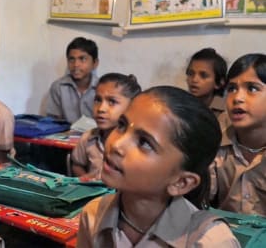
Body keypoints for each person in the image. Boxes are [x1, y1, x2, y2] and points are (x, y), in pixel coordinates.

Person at [77, 86, 239, 247]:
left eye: (145, 143)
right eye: (121, 125)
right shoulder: (93, 214)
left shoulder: (212, 241)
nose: (117, 144)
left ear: (181, 182)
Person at [210, 53, 266, 216]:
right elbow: (198, 200)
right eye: (232, 88)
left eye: (252, 88)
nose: (237, 98)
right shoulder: (215, 143)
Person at [71, 73, 141, 180]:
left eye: (112, 101)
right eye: (98, 100)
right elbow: (77, 164)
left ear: (131, 106)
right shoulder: (88, 138)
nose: (101, 109)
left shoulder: (135, 145)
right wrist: (85, 180)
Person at [46, 37, 99, 123]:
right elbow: (53, 122)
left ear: (95, 63)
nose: (76, 64)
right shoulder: (58, 87)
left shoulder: (102, 88)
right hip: (66, 134)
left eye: (82, 59)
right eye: (71, 59)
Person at [185, 47, 227, 118]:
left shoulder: (227, 110)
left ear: (219, 83)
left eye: (203, 75)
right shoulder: (180, 106)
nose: (194, 80)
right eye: (191, 73)